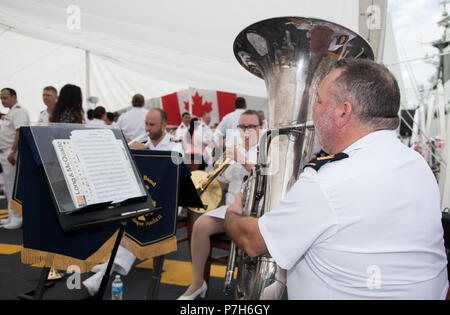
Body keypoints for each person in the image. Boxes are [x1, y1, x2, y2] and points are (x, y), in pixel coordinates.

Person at [224, 58, 449, 299]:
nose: (313, 109)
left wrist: (233, 215)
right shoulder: (417, 164)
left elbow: (253, 241)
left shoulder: (327, 181)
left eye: (319, 101)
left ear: (343, 112)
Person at [82, 108, 184, 296]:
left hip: (168, 201)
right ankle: (111, 262)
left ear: (164, 126)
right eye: (146, 124)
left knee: (139, 219)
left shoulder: (175, 145)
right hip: (144, 197)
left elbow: (171, 175)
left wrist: (145, 153)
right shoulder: (143, 141)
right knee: (119, 209)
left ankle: (107, 272)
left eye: (152, 125)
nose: (147, 128)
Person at [177, 110, 263, 300]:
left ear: (260, 128)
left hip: (256, 211)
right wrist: (203, 184)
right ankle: (197, 283)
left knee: (246, 244)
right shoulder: (232, 150)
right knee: (200, 226)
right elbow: (222, 183)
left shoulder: (267, 151)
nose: (246, 131)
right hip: (231, 207)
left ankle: (248, 291)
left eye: (251, 127)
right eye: (242, 127)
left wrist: (244, 161)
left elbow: (265, 182)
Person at [0, 88, 30, 229]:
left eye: (5, 98)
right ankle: (12, 214)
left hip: (12, 153)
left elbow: (19, 132)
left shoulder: (19, 111)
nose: (2, 100)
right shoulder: (11, 112)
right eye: (1, 98)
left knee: (13, 186)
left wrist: (12, 151)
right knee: (7, 186)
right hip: (6, 152)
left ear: (14, 97)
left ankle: (18, 217)